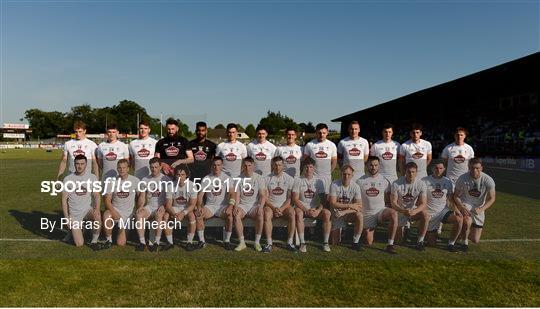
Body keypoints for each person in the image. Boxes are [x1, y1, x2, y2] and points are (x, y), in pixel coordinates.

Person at [356, 156, 398, 254]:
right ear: (366, 165)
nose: (373, 167)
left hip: (380, 212)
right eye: (371, 165)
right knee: (368, 242)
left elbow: (388, 200)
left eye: (376, 165)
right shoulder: (360, 181)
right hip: (367, 214)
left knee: (393, 214)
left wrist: (386, 211)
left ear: (379, 166)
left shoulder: (384, 181)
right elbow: (357, 200)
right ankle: (367, 229)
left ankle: (390, 245)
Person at [453, 158, 496, 251]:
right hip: (466, 203)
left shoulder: (488, 180)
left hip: (479, 208)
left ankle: (462, 232)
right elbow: (455, 196)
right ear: (468, 167)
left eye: (477, 168)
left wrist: (481, 209)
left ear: (481, 168)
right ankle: (464, 243)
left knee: (475, 240)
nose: (474, 170)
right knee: (467, 220)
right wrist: (461, 206)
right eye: (472, 168)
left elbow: (492, 198)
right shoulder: (462, 178)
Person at [61, 155, 101, 250]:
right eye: (77, 164)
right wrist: (67, 218)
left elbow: (96, 195)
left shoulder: (92, 177)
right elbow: (63, 200)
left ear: (86, 164)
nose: (80, 166)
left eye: (82, 164)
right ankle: (73, 231)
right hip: (74, 214)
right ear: (74, 164)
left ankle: (94, 241)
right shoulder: (68, 179)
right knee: (79, 244)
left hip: (87, 211)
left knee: (97, 216)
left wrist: (97, 208)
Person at [195, 157, 236, 250]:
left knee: (230, 216)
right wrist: (199, 206)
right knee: (198, 215)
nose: (216, 167)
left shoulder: (227, 178)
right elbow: (200, 195)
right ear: (211, 166)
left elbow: (232, 193)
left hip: (222, 206)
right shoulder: (206, 178)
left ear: (222, 166)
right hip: (210, 206)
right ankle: (202, 241)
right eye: (214, 165)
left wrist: (230, 206)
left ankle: (227, 241)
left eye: (218, 165)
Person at [292, 157, 331, 252]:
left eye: (310, 167)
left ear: (314, 168)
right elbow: (295, 199)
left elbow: (323, 200)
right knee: (298, 213)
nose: (308, 169)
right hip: (302, 208)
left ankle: (325, 242)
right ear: (303, 168)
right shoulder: (298, 180)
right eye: (306, 167)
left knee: (327, 213)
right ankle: (302, 243)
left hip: (315, 209)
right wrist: (306, 210)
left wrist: (318, 210)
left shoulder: (319, 181)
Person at [422, 161, 463, 252]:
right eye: (436, 168)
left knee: (459, 219)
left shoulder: (448, 182)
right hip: (430, 213)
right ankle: (425, 232)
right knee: (431, 244)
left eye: (441, 168)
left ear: (444, 169)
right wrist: (423, 211)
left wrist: (456, 210)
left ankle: (451, 244)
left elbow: (450, 198)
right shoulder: (424, 181)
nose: (438, 170)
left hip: (443, 211)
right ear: (432, 168)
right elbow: (420, 199)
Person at [101, 159, 141, 248]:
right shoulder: (111, 181)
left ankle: (121, 228)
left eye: (124, 168)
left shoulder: (135, 180)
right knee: (106, 214)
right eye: (119, 168)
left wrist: (139, 207)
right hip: (115, 210)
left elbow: (141, 196)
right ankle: (109, 240)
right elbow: (107, 200)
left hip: (128, 214)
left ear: (128, 169)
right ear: (117, 169)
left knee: (121, 243)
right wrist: (114, 212)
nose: (122, 170)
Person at [134, 157, 171, 252]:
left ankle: (156, 243)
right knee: (138, 215)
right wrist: (141, 206)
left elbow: (170, 197)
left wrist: (164, 206)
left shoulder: (166, 179)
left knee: (159, 215)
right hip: (150, 207)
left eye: (156, 167)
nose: (154, 169)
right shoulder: (145, 179)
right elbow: (142, 196)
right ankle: (142, 243)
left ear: (160, 167)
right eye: (152, 167)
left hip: (161, 207)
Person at [390, 162, 429, 251]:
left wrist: (414, 211)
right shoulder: (396, 183)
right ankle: (406, 228)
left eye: (413, 172)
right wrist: (403, 211)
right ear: (405, 172)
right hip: (400, 211)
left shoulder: (421, 184)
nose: (411, 174)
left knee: (426, 215)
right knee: (398, 241)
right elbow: (393, 203)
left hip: (412, 211)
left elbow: (423, 203)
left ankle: (420, 241)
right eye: (408, 172)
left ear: (416, 172)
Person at [232, 157, 266, 251]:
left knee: (260, 214)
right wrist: (236, 206)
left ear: (253, 166)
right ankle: (242, 242)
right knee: (236, 214)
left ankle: (257, 242)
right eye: (245, 166)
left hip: (254, 205)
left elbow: (263, 196)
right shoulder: (239, 178)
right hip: (242, 205)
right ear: (243, 166)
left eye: (249, 165)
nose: (247, 168)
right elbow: (237, 195)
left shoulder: (259, 178)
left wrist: (261, 206)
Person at [263, 157, 296, 252]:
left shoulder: (289, 179)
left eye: (279, 165)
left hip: (284, 207)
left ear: (283, 166)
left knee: (292, 213)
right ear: (272, 165)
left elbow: (290, 198)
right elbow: (265, 198)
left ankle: (289, 242)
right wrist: (274, 208)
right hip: (271, 206)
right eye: (275, 165)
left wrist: (281, 208)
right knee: (267, 213)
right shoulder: (266, 178)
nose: (277, 167)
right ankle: (269, 243)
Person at [328, 165, 364, 251]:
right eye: (344, 174)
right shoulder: (334, 184)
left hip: (346, 213)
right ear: (340, 174)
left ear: (352, 175)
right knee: (334, 242)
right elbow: (333, 203)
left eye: (349, 174)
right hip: (336, 213)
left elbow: (359, 206)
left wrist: (344, 212)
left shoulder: (356, 186)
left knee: (359, 215)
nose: (346, 176)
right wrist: (349, 205)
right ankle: (344, 230)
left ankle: (356, 242)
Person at [164, 164, 198, 251]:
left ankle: (189, 242)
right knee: (166, 216)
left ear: (186, 175)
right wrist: (174, 214)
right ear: (175, 175)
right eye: (178, 175)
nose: (180, 177)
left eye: (182, 175)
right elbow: (168, 205)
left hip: (186, 208)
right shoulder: (170, 186)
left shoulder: (192, 185)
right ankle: (170, 242)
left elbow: (192, 205)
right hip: (175, 208)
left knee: (192, 216)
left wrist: (183, 213)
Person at [303, 123, 337, 193]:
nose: (322, 135)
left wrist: (328, 173)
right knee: (311, 197)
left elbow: (334, 162)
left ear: (327, 133)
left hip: (326, 178)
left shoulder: (332, 145)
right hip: (312, 177)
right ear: (316, 133)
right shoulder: (309, 145)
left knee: (325, 199)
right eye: (319, 133)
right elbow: (306, 161)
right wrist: (310, 173)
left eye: (324, 133)